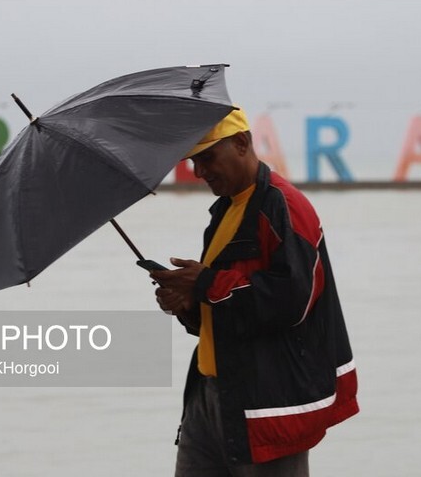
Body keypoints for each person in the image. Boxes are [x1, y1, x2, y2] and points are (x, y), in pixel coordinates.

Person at [151, 107, 359, 476]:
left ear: (242, 143)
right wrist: (188, 304)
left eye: (207, 158)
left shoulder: (286, 205)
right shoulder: (223, 213)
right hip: (210, 395)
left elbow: (294, 300)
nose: (199, 172)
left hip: (268, 403)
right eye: (194, 161)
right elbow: (227, 311)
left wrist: (204, 283)